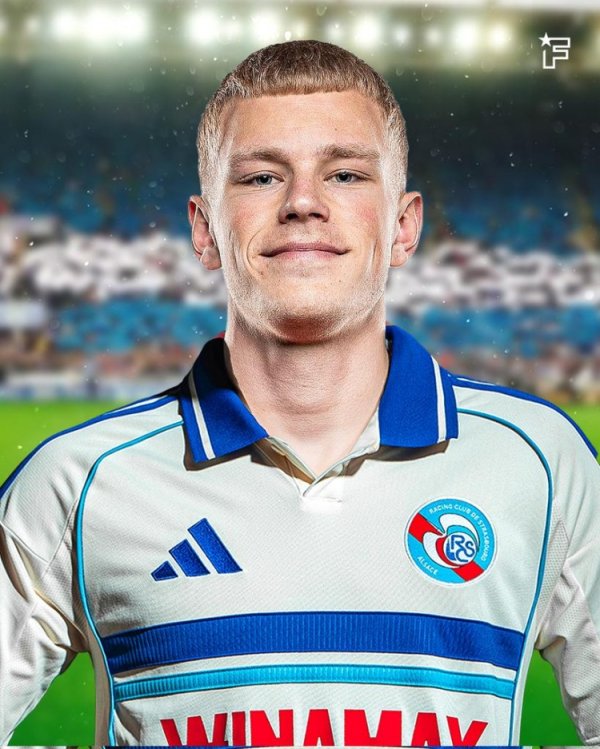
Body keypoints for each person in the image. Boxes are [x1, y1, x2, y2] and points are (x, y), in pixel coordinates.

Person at [1, 39, 599, 747]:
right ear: (204, 231)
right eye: (261, 177)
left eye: (344, 173)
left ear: (404, 227)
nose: (303, 203)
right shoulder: (77, 484)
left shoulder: (542, 462)